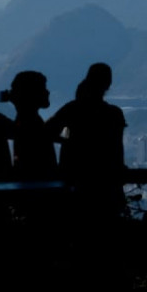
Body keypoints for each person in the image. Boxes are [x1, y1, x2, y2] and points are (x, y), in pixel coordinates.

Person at [46, 63, 127, 216]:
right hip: (107, 183)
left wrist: (68, 141)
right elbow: (117, 148)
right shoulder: (114, 114)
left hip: (74, 181)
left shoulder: (71, 109)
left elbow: (47, 132)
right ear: (108, 84)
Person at [1, 70, 57, 180]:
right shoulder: (32, 123)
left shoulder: (24, 121)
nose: (47, 92)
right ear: (32, 93)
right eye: (43, 88)